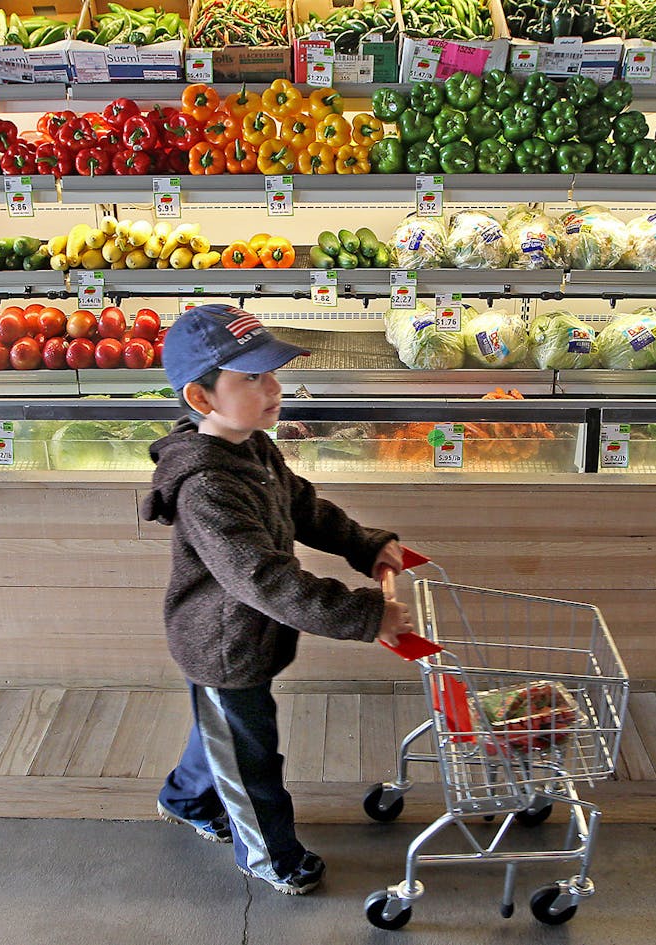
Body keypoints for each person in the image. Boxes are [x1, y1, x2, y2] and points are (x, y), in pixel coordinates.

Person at [140, 303, 413, 896]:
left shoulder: (253, 446)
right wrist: (366, 615)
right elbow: (265, 580)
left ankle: (185, 797)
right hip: (224, 645)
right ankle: (272, 858)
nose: (272, 388)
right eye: (251, 378)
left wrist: (364, 546)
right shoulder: (208, 486)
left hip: (246, 637)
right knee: (251, 758)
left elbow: (303, 506)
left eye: (271, 373)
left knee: (222, 729)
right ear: (201, 398)